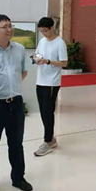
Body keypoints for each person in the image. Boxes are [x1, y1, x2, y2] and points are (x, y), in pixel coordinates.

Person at [0, 14, 32, 191]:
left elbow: (23, 71)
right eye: (5, 27)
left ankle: (18, 178)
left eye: (11, 26)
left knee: (16, 144)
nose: (10, 29)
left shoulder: (19, 49)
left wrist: (12, 88)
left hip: (15, 104)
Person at [33, 17, 68, 157]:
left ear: (52, 28)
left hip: (52, 83)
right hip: (40, 81)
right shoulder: (42, 41)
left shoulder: (59, 43)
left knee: (48, 112)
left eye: (45, 30)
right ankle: (51, 139)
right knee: (43, 111)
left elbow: (64, 63)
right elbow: (37, 54)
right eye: (41, 31)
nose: (43, 33)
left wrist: (48, 61)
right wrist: (35, 59)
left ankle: (47, 142)